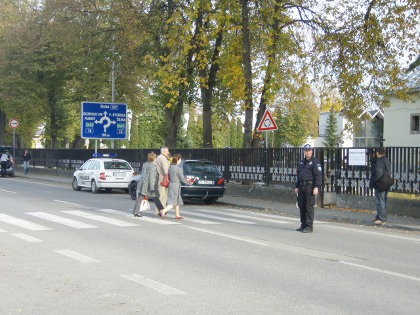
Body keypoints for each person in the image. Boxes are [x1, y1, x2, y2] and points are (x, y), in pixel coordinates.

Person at [294, 144, 322, 233]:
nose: (308, 152)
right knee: (301, 206)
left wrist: (316, 187)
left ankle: (309, 226)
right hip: (302, 186)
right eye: (306, 151)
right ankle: (303, 225)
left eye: (309, 150)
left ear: (312, 151)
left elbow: (318, 175)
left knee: (309, 206)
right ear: (304, 152)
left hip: (310, 186)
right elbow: (299, 175)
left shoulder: (315, 161)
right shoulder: (301, 162)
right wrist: (297, 186)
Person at [160, 153, 193, 220]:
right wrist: (189, 183)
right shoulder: (179, 168)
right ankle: (163, 211)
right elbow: (182, 178)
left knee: (177, 201)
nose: (181, 160)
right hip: (176, 186)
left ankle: (177, 215)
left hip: (171, 185)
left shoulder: (171, 167)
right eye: (180, 159)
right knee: (173, 202)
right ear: (178, 160)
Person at [133, 152, 164, 217]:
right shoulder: (153, 166)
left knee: (140, 198)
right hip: (150, 185)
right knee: (156, 198)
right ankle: (162, 211)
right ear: (154, 158)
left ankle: (136, 212)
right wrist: (152, 187)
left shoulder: (145, 164)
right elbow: (152, 177)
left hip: (143, 183)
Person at [369, 147, 391, 225]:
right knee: (383, 201)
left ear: (378, 153)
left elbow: (378, 173)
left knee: (380, 201)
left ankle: (381, 218)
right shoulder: (386, 160)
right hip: (386, 183)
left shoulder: (380, 161)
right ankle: (380, 217)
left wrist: (374, 181)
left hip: (380, 184)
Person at [155, 146, 171, 214]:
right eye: (167, 151)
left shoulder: (159, 157)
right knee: (163, 196)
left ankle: (161, 210)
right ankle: (161, 210)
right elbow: (165, 170)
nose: (168, 152)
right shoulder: (163, 158)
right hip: (163, 179)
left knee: (161, 195)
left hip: (160, 179)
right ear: (163, 151)